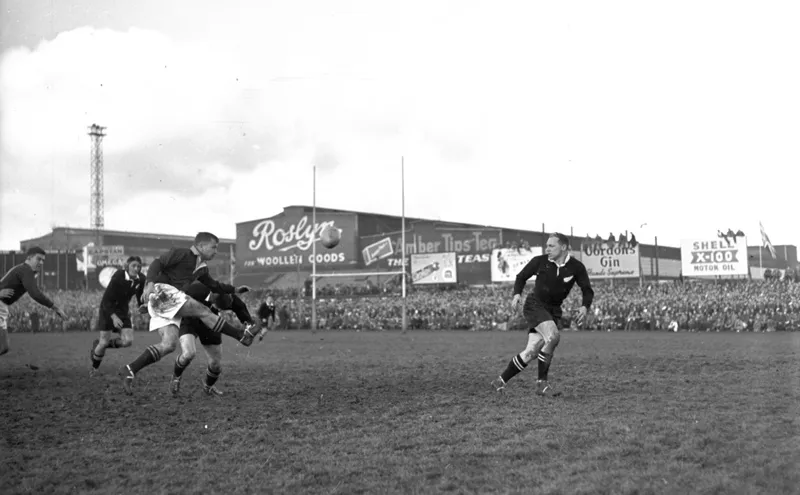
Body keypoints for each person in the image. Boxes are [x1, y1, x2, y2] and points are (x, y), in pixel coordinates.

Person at [120, 232, 259, 395]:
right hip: (161, 293)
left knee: (168, 345)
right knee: (203, 311)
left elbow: (215, 285)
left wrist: (235, 289)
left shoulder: (201, 268)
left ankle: (130, 369)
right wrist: (149, 283)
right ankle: (241, 336)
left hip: (168, 301)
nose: (216, 251)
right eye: (213, 247)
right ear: (200, 246)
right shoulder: (182, 253)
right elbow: (157, 263)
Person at [491, 233, 594, 396]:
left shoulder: (576, 267)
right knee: (553, 336)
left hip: (553, 311)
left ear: (564, 247)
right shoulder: (540, 261)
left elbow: (587, 290)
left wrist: (584, 307)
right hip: (534, 305)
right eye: (547, 246)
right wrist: (517, 294)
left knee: (531, 352)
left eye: (551, 246)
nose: (547, 249)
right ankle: (541, 384)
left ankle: (499, 381)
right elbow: (521, 277)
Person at [170, 281, 257, 397]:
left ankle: (208, 387)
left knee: (215, 363)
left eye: (221, 309)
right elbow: (177, 299)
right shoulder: (195, 289)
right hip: (190, 321)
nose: (219, 309)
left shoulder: (228, 298)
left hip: (212, 324)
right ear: (212, 299)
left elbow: (241, 308)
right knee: (188, 353)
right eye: (217, 307)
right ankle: (176, 377)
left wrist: (249, 324)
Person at [0, 247, 68, 355]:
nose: (41, 262)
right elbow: (35, 293)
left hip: (3, 307)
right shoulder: (26, 270)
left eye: (43, 261)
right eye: (38, 259)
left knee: (4, 347)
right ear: (29, 258)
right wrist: (55, 307)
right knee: (3, 347)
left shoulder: (24, 270)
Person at [89, 256, 145, 376]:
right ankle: (94, 369)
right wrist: (114, 317)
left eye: (139, 266)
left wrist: (142, 307)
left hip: (123, 311)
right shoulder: (118, 277)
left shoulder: (141, 279)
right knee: (103, 343)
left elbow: (140, 296)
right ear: (127, 266)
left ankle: (98, 345)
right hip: (108, 310)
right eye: (133, 266)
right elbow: (106, 301)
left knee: (128, 341)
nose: (136, 269)